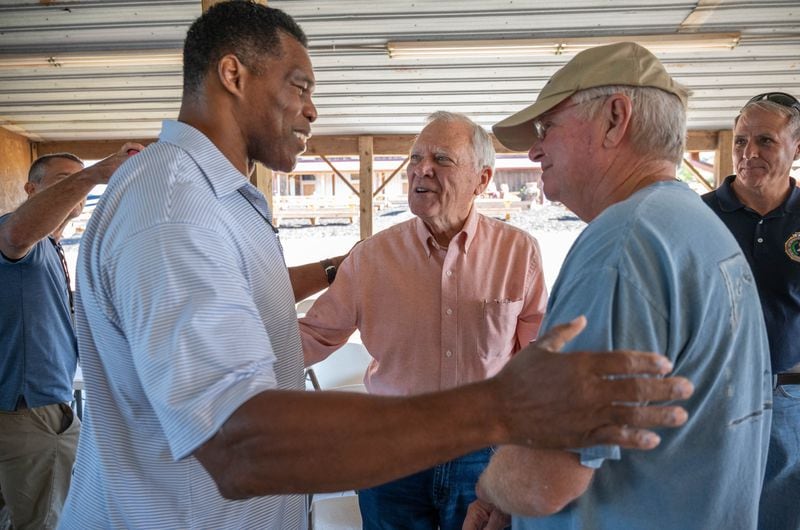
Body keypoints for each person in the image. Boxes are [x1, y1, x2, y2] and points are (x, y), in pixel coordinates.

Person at [58, 5, 694, 529]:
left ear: (481, 178)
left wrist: (501, 425)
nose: (312, 110)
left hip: (456, 460)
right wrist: (502, 409)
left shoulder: (223, 205)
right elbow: (239, 439)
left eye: (440, 161)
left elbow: (267, 345)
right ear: (233, 74)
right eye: (300, 86)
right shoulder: (176, 209)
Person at [465, 42, 773, 530]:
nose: (535, 149)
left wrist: (489, 486)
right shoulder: (697, 227)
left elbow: (547, 477)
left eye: (548, 128)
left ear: (614, 118)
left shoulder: (623, 245)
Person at [299, 110, 548, 529]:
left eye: (442, 159)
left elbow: (538, 360)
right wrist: (224, 351)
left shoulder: (518, 253)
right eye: (415, 159)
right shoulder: (372, 258)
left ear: (482, 180)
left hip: (483, 455)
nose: (421, 170)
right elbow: (312, 336)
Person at [0, 143, 142, 529]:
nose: (79, 189)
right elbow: (15, 234)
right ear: (31, 190)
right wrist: (96, 172)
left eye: (81, 181)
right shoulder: (20, 235)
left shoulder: (50, 248)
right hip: (31, 409)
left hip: (44, 404)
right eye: (67, 181)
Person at [701, 92, 800, 530]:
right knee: (713, 512)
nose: (748, 153)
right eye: (740, 141)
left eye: (766, 141)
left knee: (783, 515)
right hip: (712, 398)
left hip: (791, 398)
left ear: (797, 148)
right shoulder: (697, 216)